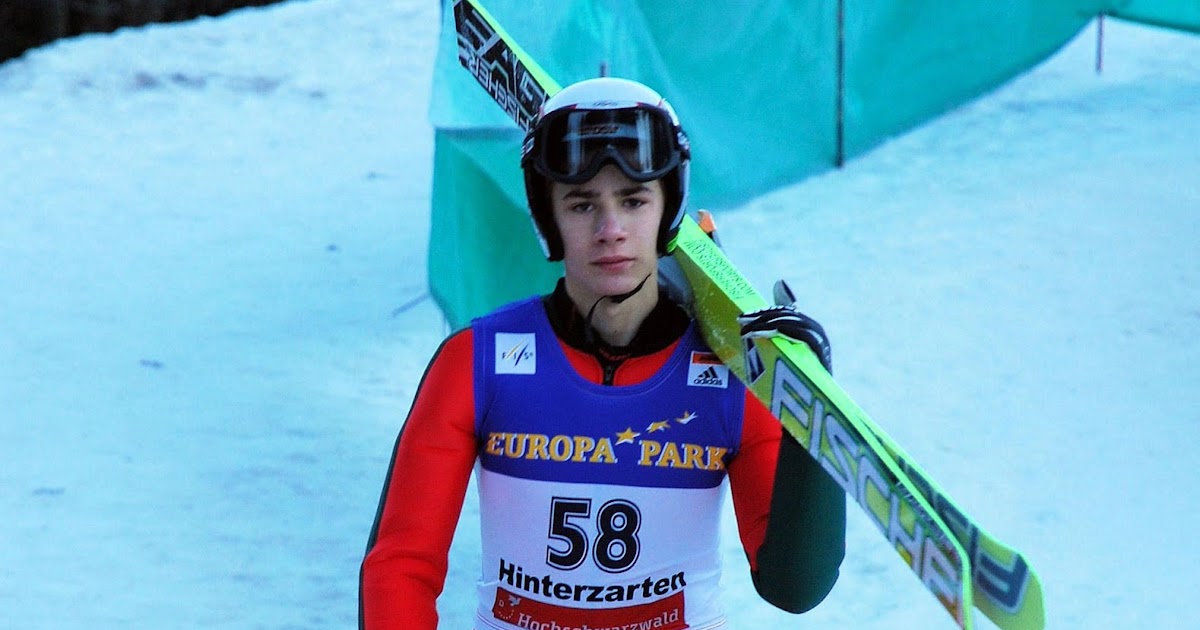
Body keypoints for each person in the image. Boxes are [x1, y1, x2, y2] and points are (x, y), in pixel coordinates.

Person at [359, 77, 845, 630]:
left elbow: (795, 587)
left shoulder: (732, 378)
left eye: (634, 201)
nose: (610, 229)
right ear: (549, 220)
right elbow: (401, 566)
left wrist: (813, 418)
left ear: (668, 212)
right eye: (582, 204)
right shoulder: (478, 362)